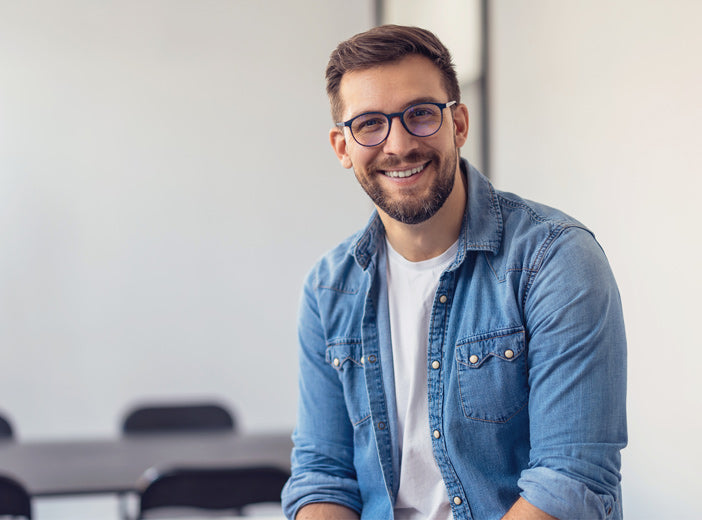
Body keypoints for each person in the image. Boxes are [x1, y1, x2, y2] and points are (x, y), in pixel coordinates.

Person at [281, 25, 626, 520]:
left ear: (458, 124)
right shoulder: (328, 288)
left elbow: (570, 481)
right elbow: (323, 474)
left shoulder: (555, 260)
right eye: (370, 124)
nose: (398, 145)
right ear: (342, 147)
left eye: (420, 114)